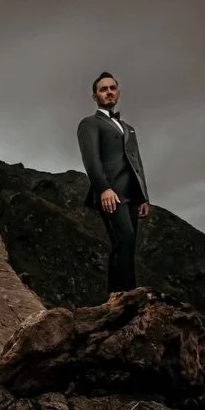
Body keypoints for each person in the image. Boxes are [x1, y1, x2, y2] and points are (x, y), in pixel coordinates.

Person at [78, 71, 151, 294]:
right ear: (95, 96)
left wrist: (143, 197)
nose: (108, 92)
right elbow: (91, 160)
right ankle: (119, 299)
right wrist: (104, 189)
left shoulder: (128, 127)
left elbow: (136, 162)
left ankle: (129, 295)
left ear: (118, 92)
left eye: (112, 88)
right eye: (103, 89)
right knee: (123, 240)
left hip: (131, 195)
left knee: (128, 246)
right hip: (111, 193)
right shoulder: (89, 123)